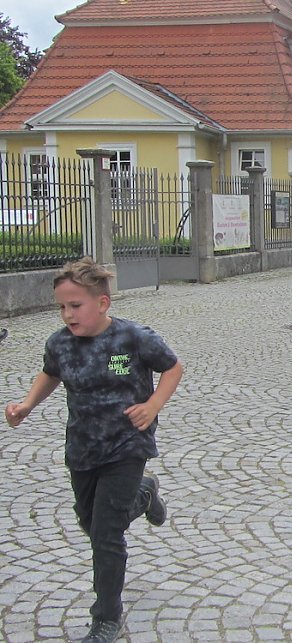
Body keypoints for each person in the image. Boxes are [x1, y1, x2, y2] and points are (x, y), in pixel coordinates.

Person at [4, 257, 183, 643]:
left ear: (102, 303)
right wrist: (27, 405)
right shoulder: (60, 343)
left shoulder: (133, 337)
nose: (68, 314)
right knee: (90, 522)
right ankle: (145, 494)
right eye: (62, 307)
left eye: (76, 305)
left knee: (105, 535)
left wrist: (152, 406)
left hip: (127, 446)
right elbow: (52, 373)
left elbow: (173, 368)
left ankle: (106, 618)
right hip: (83, 447)